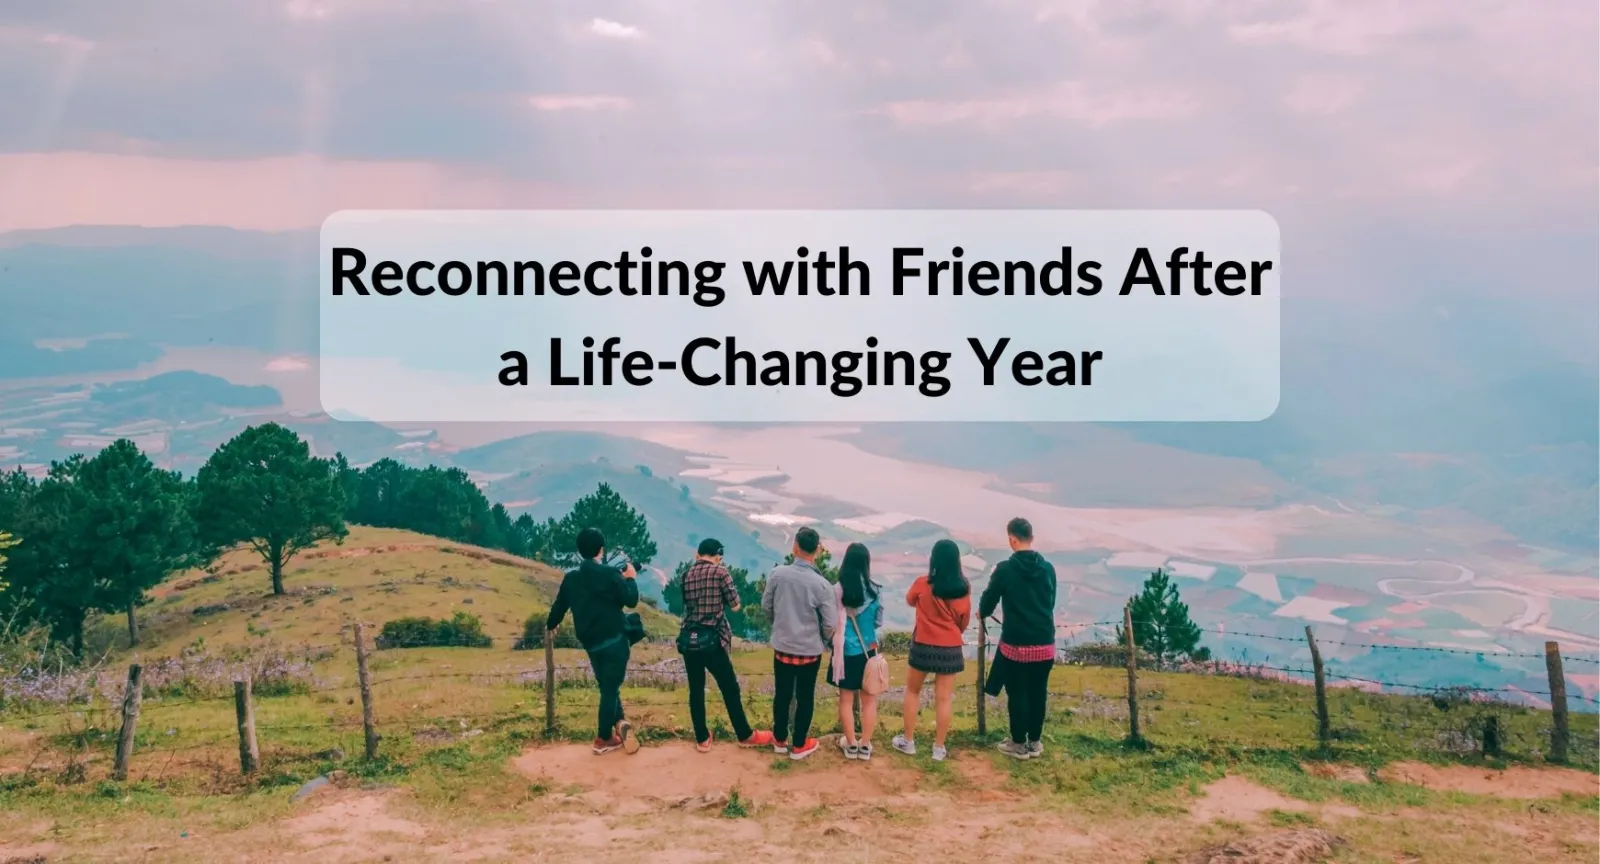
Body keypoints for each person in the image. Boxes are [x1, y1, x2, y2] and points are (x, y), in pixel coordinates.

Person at [546, 527, 641, 756]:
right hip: (616, 641)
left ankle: (619, 722)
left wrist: (551, 624)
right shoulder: (610, 575)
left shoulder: (571, 579)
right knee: (610, 689)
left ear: (579, 551)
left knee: (608, 686)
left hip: (591, 644)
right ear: (601, 550)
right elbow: (631, 600)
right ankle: (603, 738)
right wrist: (630, 579)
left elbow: (559, 606)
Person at [676, 538, 775, 753]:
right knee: (730, 687)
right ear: (718, 556)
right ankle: (744, 734)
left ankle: (702, 739)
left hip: (689, 639)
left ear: (697, 554)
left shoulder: (685, 575)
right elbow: (736, 605)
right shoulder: (721, 573)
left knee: (695, 689)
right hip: (712, 640)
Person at [978, 517, 1058, 759]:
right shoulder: (1048, 568)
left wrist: (982, 612)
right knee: (1038, 692)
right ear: (1031, 538)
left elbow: (987, 604)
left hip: (1016, 644)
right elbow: (1050, 602)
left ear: (1012, 539)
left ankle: (1017, 743)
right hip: (1045, 642)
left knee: (1018, 693)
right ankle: (1035, 742)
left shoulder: (1004, 569)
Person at [761, 526, 837, 760]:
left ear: (794, 546)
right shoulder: (822, 585)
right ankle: (800, 744)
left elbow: (766, 606)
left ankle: (780, 739)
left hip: (783, 647)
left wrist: (780, 625)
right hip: (810, 652)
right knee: (805, 697)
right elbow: (830, 623)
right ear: (817, 550)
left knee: (782, 694)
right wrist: (822, 640)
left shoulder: (777, 575)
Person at [892, 538, 971, 762]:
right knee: (944, 699)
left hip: (923, 645)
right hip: (950, 647)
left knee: (912, 691)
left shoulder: (922, 583)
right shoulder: (963, 589)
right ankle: (938, 748)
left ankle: (908, 741)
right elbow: (963, 621)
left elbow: (910, 600)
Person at [828, 542, 882, 761]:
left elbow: (830, 621)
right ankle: (866, 745)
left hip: (845, 653)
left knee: (846, 701)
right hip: (869, 651)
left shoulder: (836, 590)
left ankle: (850, 745)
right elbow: (878, 621)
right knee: (869, 700)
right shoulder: (875, 590)